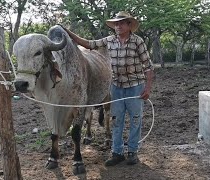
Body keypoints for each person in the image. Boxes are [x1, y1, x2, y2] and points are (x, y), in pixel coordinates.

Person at [61, 11, 154, 166]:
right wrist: (68, 32)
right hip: (116, 86)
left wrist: (147, 88)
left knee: (135, 119)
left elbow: (148, 66)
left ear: (129, 25)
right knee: (116, 120)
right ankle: (117, 152)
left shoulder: (138, 42)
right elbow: (89, 44)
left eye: (121, 23)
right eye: (116, 23)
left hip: (135, 87)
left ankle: (132, 152)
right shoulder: (109, 40)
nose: (118, 26)